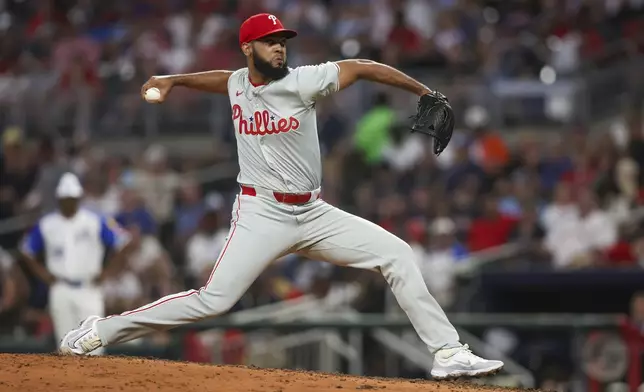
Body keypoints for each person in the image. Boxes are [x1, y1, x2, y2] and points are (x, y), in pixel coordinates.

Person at [59, 13, 503, 379]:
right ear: (248, 49)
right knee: (214, 299)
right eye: (270, 42)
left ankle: (447, 352)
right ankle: (102, 331)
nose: (280, 48)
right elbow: (221, 80)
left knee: (397, 253)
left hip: (313, 212)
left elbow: (364, 67)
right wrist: (173, 79)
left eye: (282, 41)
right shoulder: (237, 82)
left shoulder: (304, 82)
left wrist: (424, 91)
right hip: (260, 212)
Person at [21, 172, 130, 355]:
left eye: (72, 198)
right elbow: (26, 250)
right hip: (60, 287)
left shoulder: (95, 220)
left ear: (79, 198)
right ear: (59, 199)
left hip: (89, 287)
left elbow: (123, 241)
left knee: (94, 346)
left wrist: (107, 272)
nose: (69, 202)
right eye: (65, 198)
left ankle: (93, 384)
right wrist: (42, 274)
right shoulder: (47, 223)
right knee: (66, 347)